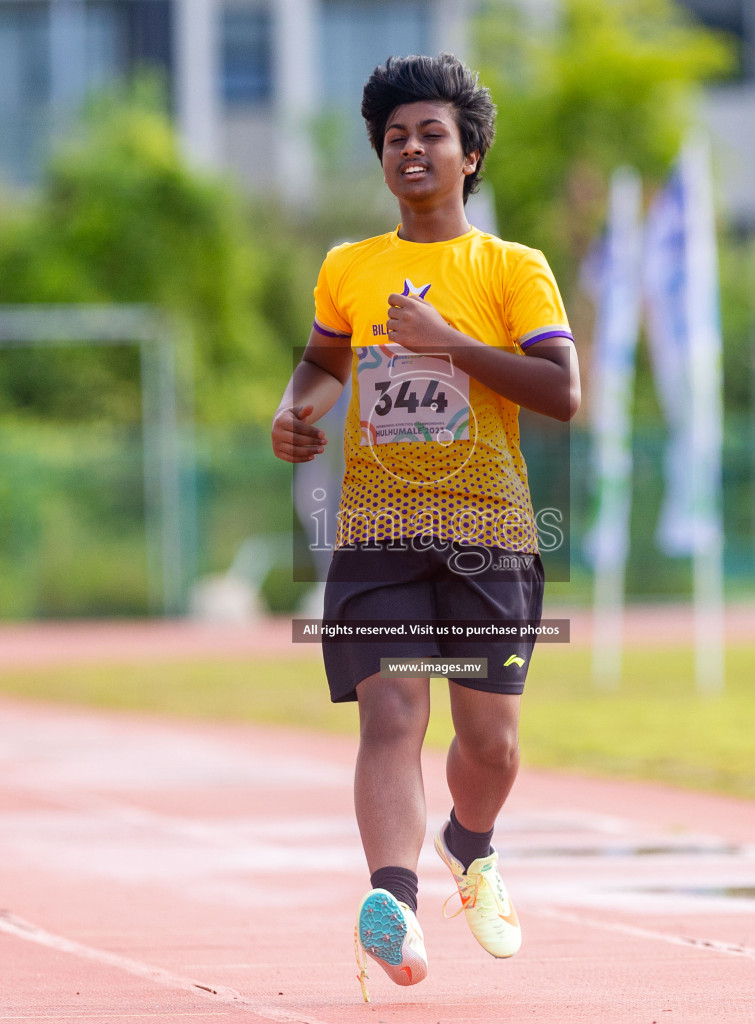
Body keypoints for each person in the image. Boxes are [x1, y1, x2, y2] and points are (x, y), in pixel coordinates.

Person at [269, 51, 580, 1002]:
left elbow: (563, 393)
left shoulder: (511, 269)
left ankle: (468, 844)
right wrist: (296, 408)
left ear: (470, 153)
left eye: (431, 133)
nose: (411, 148)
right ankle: (392, 901)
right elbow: (322, 361)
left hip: (491, 527)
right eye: (394, 136)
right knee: (391, 713)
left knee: (491, 746)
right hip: (377, 528)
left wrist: (449, 343)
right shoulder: (349, 269)